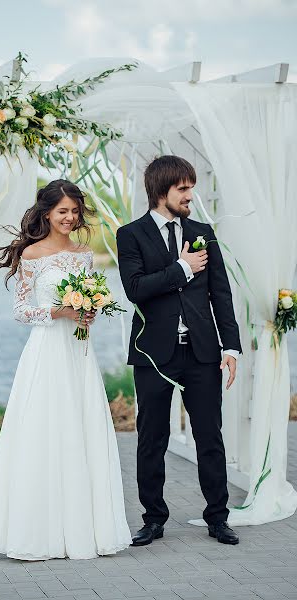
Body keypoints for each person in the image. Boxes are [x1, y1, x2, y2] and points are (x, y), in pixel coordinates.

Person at [0, 179, 131, 560]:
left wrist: (87, 314)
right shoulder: (31, 255)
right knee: (45, 431)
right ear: (47, 212)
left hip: (79, 352)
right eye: (63, 211)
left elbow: (86, 304)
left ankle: (85, 529)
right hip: (46, 353)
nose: (70, 217)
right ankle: (37, 532)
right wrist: (59, 311)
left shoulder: (83, 255)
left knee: (81, 428)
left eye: (75, 211)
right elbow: (21, 310)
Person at [116, 155, 242, 546]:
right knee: (152, 438)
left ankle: (217, 518)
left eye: (192, 187)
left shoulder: (203, 230)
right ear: (161, 191)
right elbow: (135, 288)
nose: (191, 195)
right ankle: (153, 519)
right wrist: (184, 267)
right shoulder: (131, 235)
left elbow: (220, 292)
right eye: (183, 189)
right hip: (154, 353)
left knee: (210, 437)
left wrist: (232, 346)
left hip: (203, 352)